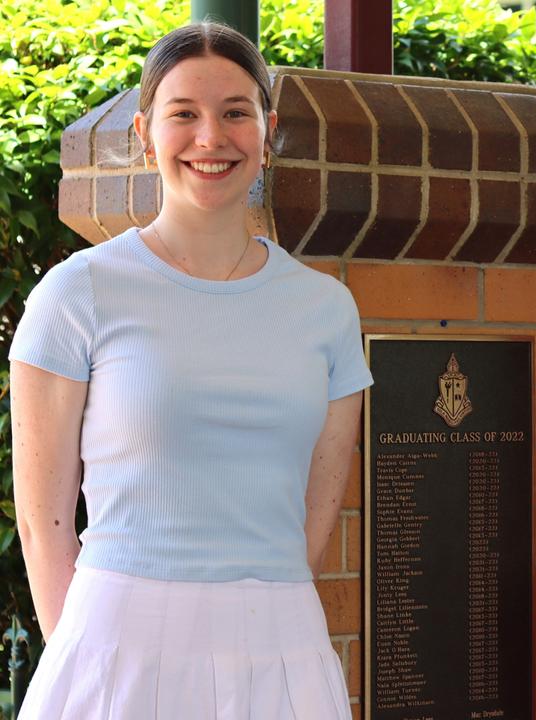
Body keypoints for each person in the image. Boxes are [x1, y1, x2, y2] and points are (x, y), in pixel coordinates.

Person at [10, 22, 371, 719]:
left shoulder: (328, 311)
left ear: (268, 130)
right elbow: (44, 524)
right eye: (185, 114)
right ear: (146, 133)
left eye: (236, 112)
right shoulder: (76, 294)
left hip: (281, 653)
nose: (212, 137)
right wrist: (84, 661)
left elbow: (312, 522)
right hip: (116, 650)